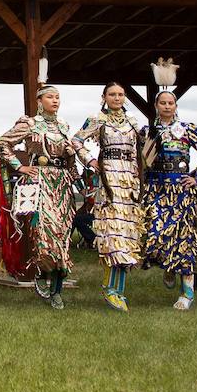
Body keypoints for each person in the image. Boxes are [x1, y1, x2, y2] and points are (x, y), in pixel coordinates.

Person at [0, 65, 81, 310]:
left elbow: (71, 157)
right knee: (44, 232)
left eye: (58, 98)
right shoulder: (30, 124)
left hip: (61, 183)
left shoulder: (63, 126)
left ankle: (57, 289)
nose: (55, 101)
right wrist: (19, 167)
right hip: (39, 182)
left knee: (62, 234)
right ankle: (42, 275)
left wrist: (74, 170)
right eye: (50, 97)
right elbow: (3, 143)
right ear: (40, 101)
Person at [140, 83, 197, 310]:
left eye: (170, 103)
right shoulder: (147, 131)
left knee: (182, 239)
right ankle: (168, 266)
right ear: (155, 106)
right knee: (154, 234)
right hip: (155, 189)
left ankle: (187, 293)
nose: (167, 106)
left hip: (180, 189)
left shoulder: (188, 128)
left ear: (176, 105)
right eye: (162, 103)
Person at [73, 82, 142, 312]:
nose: (117, 98)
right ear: (104, 96)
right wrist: (91, 161)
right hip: (109, 181)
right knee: (112, 235)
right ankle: (110, 288)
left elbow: (141, 150)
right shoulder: (97, 119)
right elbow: (76, 141)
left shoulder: (133, 121)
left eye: (121, 94)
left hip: (129, 180)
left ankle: (119, 289)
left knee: (127, 235)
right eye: (112, 94)